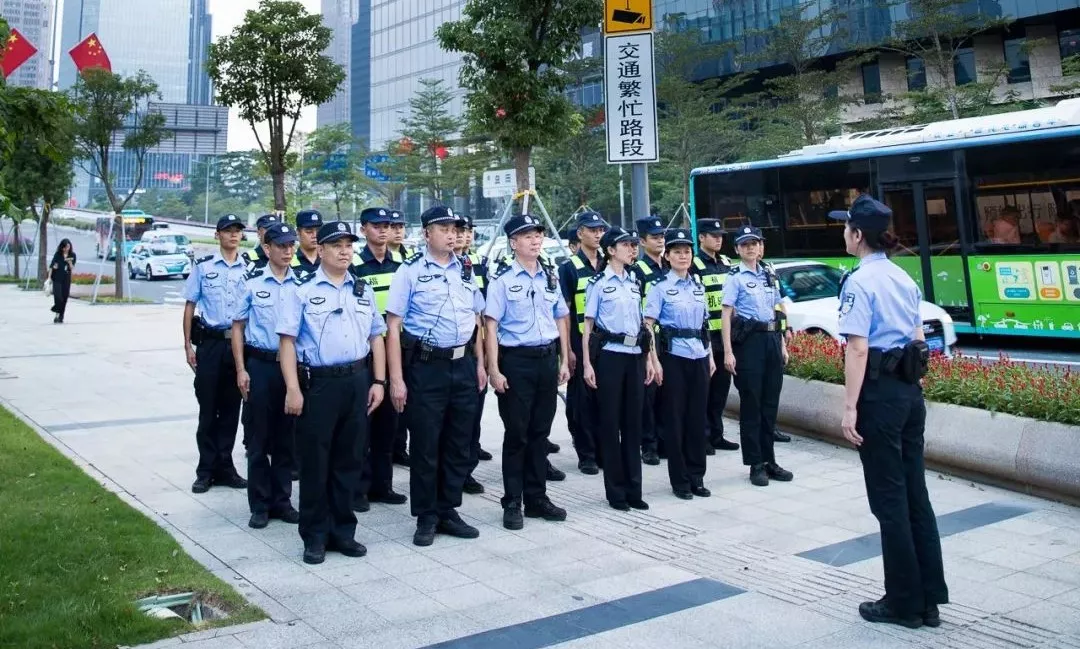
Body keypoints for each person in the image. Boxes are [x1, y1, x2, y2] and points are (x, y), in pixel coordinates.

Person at [829, 195, 948, 629]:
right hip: (909, 393)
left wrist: (849, 408)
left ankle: (902, 603)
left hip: (879, 396)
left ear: (858, 235)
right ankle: (928, 599)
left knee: (889, 500)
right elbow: (918, 337)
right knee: (916, 495)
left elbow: (858, 348)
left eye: (846, 228)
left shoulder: (859, 281)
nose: (844, 234)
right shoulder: (902, 276)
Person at [277, 220, 387, 565]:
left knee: (349, 460)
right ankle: (314, 536)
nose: (344, 252)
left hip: (357, 380)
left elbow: (376, 336)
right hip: (319, 384)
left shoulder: (362, 289)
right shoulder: (302, 290)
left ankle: (343, 531)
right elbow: (287, 343)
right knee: (315, 462)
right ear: (320, 249)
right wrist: (292, 389)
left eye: (348, 245)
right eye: (336, 245)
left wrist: (379, 381)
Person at [386, 205, 487, 547]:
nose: (452, 234)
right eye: (444, 229)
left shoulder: (466, 269)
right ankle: (427, 515)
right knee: (427, 444)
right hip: (426, 366)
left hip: (463, 364)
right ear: (427, 234)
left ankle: (448, 509)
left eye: (455, 229)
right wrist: (396, 379)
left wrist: (480, 363)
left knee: (459, 442)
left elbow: (477, 318)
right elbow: (394, 325)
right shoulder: (410, 271)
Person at [485, 214, 572, 530]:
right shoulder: (502, 279)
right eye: (527, 236)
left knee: (540, 433)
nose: (535, 241)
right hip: (516, 362)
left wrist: (565, 359)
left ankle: (537, 498)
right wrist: (494, 369)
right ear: (513, 243)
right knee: (517, 434)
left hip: (546, 359)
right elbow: (490, 326)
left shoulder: (550, 276)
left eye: (538, 235)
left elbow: (561, 317)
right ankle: (512, 501)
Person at [230, 222, 300, 529]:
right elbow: (237, 327)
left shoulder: (303, 283)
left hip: (291, 369)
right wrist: (241, 368)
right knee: (258, 438)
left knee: (286, 437)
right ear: (267, 248)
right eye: (281, 246)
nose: (288, 251)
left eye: (291, 245)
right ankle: (259, 504)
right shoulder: (252, 282)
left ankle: (282, 501)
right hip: (260, 365)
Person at [583, 226, 655, 511]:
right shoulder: (598, 283)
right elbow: (588, 326)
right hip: (610, 357)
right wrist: (587, 363)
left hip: (635, 355)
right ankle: (616, 492)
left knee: (633, 424)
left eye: (633, 245)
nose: (632, 249)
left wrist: (648, 359)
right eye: (625, 245)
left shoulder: (635, 281)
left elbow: (642, 324)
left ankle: (634, 489)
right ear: (611, 250)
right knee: (611, 424)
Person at [720, 226, 793, 488]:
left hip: (771, 340)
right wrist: (728, 351)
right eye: (745, 244)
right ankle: (755, 464)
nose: (751, 248)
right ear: (737, 249)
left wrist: (782, 343)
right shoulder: (735, 277)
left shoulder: (769, 274)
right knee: (752, 405)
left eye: (755, 243)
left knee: (770, 404)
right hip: (749, 343)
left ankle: (770, 460)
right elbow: (726, 314)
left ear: (761, 246)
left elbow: (777, 310)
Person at [183, 214, 250, 494]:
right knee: (208, 409)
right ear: (217, 235)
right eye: (227, 230)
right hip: (210, 345)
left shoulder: (250, 268)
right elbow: (190, 305)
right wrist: (187, 345)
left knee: (232, 409)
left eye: (237, 231)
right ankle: (205, 470)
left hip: (238, 346)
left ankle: (226, 467)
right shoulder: (204, 267)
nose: (233, 235)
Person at [645, 229, 714, 500]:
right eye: (677, 252)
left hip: (699, 355)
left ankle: (697, 476)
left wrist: (710, 357)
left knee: (697, 418)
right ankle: (680, 480)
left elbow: (704, 325)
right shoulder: (660, 288)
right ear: (668, 256)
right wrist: (654, 361)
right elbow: (648, 325)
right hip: (673, 357)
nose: (683, 256)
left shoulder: (698, 286)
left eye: (687, 251)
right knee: (675, 420)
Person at [349, 207, 408, 512]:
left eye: (387, 225)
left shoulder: (403, 265)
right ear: (364, 230)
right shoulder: (355, 265)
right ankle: (359, 488)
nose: (383, 230)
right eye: (376, 225)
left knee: (390, 421)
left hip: (396, 348)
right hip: (368, 350)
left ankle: (382, 485)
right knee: (363, 423)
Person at [558, 211, 609, 475]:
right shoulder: (569, 268)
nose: (598, 234)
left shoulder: (610, 263)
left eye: (600, 230)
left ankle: (604, 450)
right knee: (582, 401)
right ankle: (586, 453)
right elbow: (564, 313)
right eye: (592, 230)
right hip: (580, 342)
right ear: (580, 233)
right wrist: (567, 350)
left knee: (606, 398)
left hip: (608, 342)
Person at [692, 219, 739, 455]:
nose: (719, 239)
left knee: (720, 390)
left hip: (725, 338)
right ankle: (702, 437)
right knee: (704, 391)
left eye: (720, 235)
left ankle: (717, 434)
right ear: (701, 237)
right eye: (713, 235)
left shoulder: (726, 263)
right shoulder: (694, 265)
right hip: (706, 338)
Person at [456, 214, 493, 496]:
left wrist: (486, 357)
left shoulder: (475, 266)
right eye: (456, 230)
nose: (461, 235)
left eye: (466, 230)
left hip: (473, 349)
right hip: (442, 354)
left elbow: (484, 314)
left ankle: (466, 468)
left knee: (473, 414)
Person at [631, 216, 666, 466]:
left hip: (671, 340)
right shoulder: (637, 271)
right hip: (649, 340)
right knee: (649, 395)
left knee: (668, 395)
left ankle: (664, 441)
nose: (660, 241)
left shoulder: (670, 266)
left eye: (662, 236)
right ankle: (649, 445)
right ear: (643, 242)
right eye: (654, 237)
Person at [47, 239, 76, 324]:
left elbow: (72, 268)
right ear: (62, 248)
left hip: (66, 279)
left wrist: (70, 262)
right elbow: (51, 266)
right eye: (65, 247)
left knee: (65, 297)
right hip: (57, 278)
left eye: (68, 247)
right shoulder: (58, 254)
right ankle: (57, 313)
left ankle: (60, 316)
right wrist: (49, 278)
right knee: (58, 297)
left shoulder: (72, 255)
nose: (67, 249)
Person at [292, 209, 323, 279]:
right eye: (309, 231)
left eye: (318, 231)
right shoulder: (288, 261)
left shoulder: (329, 260)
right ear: (298, 232)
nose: (315, 235)